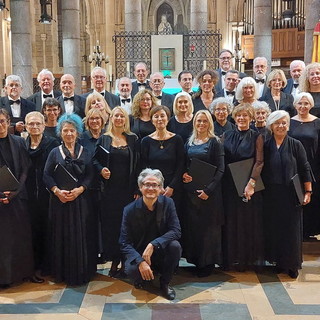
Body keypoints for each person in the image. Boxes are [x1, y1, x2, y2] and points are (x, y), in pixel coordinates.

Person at [43, 113, 96, 285]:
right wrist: (57, 191)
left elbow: (90, 175)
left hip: (80, 201)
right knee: (62, 235)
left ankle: (81, 272)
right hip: (60, 202)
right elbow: (46, 175)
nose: (69, 134)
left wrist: (80, 190)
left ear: (78, 132)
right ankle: (62, 273)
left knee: (81, 235)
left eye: (72, 130)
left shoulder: (86, 152)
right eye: (65, 130)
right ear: (60, 132)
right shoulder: (54, 152)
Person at [262, 110, 312, 278]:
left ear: (288, 125)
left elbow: (305, 168)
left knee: (291, 229)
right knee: (276, 228)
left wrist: (308, 191)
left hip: (292, 194)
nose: (281, 126)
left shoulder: (296, 144)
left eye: (284, 123)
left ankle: (292, 265)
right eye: (277, 123)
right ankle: (279, 262)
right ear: (271, 126)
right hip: (271, 194)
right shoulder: (266, 144)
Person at [119, 168, 182, 300]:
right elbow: (124, 243)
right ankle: (144, 274)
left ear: (161, 189)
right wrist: (140, 261)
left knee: (175, 246)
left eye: (155, 185)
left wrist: (154, 244)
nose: (151, 188)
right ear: (140, 187)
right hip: (140, 253)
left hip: (160, 250)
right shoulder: (129, 210)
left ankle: (165, 283)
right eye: (147, 184)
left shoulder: (168, 203)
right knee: (133, 271)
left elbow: (176, 231)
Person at [93, 107, 139, 277]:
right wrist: (101, 170)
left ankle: (126, 260)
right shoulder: (104, 139)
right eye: (116, 115)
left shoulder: (133, 139)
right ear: (110, 118)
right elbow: (95, 160)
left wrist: (137, 188)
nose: (119, 118)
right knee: (112, 227)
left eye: (122, 116)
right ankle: (114, 261)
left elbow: (138, 164)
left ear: (126, 119)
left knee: (127, 227)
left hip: (128, 191)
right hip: (109, 191)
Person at [0, 108, 40, 288]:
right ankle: (4, 277)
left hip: (18, 197)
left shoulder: (18, 141)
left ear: (8, 123)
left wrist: (16, 191)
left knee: (22, 236)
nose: (0, 125)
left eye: (2, 121)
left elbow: (25, 168)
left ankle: (24, 273)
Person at [221, 103, 264, 271]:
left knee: (247, 221)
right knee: (231, 221)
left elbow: (259, 161)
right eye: (239, 115)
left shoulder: (256, 136)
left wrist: (251, 183)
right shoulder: (226, 135)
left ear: (251, 118)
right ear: (234, 117)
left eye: (245, 115)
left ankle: (246, 259)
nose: (241, 118)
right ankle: (231, 258)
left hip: (248, 184)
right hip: (229, 185)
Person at [182, 110, 225, 277]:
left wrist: (209, 190)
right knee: (195, 229)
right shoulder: (189, 142)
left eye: (204, 121)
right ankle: (196, 261)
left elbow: (221, 169)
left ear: (209, 123)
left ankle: (207, 264)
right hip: (192, 194)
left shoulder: (215, 142)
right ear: (194, 123)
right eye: (198, 121)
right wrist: (184, 175)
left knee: (209, 230)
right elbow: (186, 165)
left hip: (210, 195)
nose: (201, 124)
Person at [25, 111, 59, 272]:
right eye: (31, 124)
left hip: (49, 194)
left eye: (38, 123)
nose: (35, 126)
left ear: (44, 125)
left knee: (48, 228)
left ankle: (49, 265)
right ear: (26, 126)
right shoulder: (22, 144)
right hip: (28, 195)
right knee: (32, 229)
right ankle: (34, 264)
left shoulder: (52, 144)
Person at [289, 92, 320, 240]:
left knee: (312, 198)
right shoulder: (288, 122)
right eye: (300, 103)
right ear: (295, 105)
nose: (303, 106)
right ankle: (295, 232)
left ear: (311, 105)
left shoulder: (317, 122)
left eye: (306, 103)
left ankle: (309, 232)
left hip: (314, 166)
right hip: (293, 167)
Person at [140, 105, 184, 209]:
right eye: (156, 116)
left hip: (173, 188)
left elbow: (181, 165)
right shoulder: (145, 141)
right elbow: (144, 166)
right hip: (152, 188)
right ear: (152, 120)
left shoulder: (177, 139)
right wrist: (157, 187)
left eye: (162, 116)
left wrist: (171, 187)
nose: (159, 119)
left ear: (168, 119)